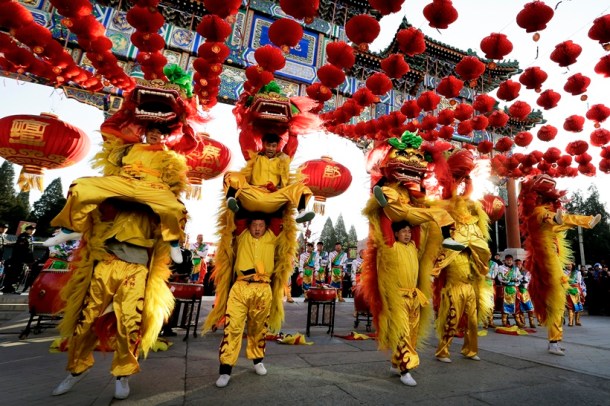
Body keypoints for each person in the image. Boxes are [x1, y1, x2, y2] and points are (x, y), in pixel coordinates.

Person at [53, 200, 174, 400]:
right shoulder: (114, 192)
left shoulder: (157, 196)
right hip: (107, 261)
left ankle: (123, 372)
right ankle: (78, 367)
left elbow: (173, 217)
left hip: (137, 267)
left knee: (129, 322)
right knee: (85, 319)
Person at [43, 122, 188, 264]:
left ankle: (173, 243)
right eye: (151, 131)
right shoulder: (131, 147)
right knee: (80, 186)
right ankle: (70, 229)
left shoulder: (171, 156)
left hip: (152, 186)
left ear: (166, 137)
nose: (154, 135)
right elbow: (111, 134)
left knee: (176, 209)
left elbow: (176, 178)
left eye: (159, 133)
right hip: (124, 181)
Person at [518, 174, 601, 356]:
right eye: (546, 198)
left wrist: (572, 221)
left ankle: (554, 341)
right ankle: (553, 342)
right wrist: (560, 219)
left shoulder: (542, 216)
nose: (549, 201)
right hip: (548, 262)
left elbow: (560, 222)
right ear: (539, 198)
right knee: (556, 300)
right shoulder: (539, 213)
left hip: (551, 260)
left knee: (557, 302)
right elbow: (552, 219)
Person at [204, 215, 289, 388]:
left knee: (258, 328)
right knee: (233, 327)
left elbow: (279, 215)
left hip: (263, 288)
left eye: (261, 225)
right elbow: (239, 215)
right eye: (254, 225)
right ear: (248, 226)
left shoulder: (272, 236)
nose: (257, 228)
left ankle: (258, 360)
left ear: (266, 227)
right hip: (240, 287)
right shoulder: (242, 235)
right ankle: (225, 370)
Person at [224, 133, 314, 223]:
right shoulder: (255, 157)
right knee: (232, 175)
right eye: (268, 145)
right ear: (263, 144)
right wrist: (248, 124)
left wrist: (293, 132)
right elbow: (246, 141)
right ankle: (231, 198)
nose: (271, 148)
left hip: (272, 198)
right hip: (252, 194)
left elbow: (291, 148)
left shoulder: (282, 160)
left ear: (277, 147)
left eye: (273, 146)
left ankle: (302, 211)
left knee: (300, 187)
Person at [2, 225, 35, 294]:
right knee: (16, 274)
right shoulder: (23, 237)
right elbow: (25, 250)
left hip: (21, 260)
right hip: (18, 260)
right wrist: (29, 260)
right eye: (30, 229)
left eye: (33, 230)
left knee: (17, 274)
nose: (32, 231)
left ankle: (9, 288)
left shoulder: (30, 237)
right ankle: (10, 288)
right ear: (26, 230)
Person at [497, 255, 523, 328]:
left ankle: (518, 321)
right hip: (506, 288)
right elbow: (500, 277)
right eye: (507, 260)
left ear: (512, 261)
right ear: (505, 260)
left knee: (516, 305)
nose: (509, 262)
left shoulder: (515, 269)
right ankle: (504, 321)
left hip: (514, 289)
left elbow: (520, 276)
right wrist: (510, 279)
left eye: (510, 260)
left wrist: (517, 279)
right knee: (505, 305)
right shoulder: (501, 268)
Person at [515, 260, 536, 329]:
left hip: (524, 291)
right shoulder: (514, 271)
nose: (518, 265)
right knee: (520, 308)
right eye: (517, 264)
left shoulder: (526, 272)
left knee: (529, 307)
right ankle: (522, 322)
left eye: (519, 264)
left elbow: (528, 281)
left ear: (522, 264)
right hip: (517, 290)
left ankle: (531, 322)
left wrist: (524, 282)